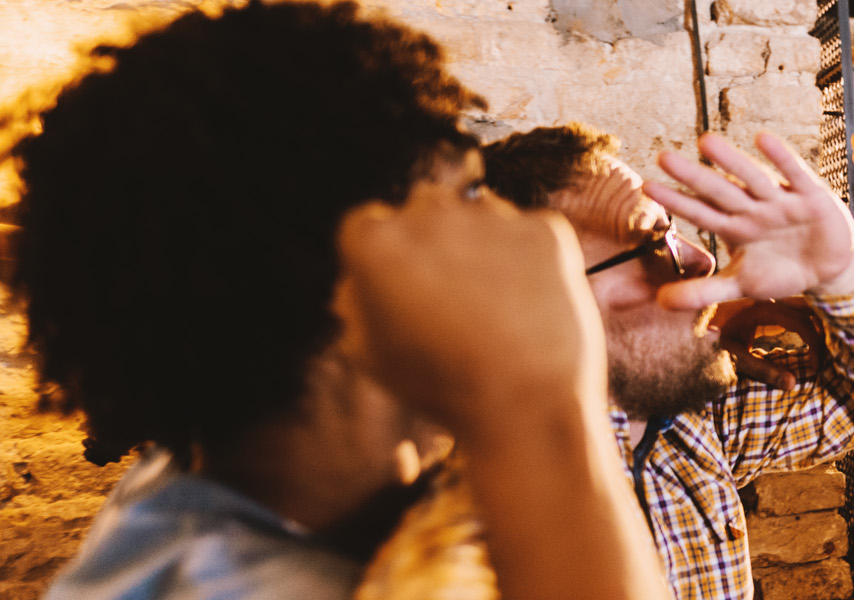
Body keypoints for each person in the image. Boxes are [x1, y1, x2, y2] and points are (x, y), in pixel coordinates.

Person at [7, 2, 669, 598]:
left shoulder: (202, 487)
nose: (523, 226)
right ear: (352, 270)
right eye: (469, 193)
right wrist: (543, 406)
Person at [480, 123, 854, 599]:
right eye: (653, 242)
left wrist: (841, 273)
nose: (703, 260)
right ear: (542, 289)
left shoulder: (692, 421)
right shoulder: (459, 515)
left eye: (676, 232)